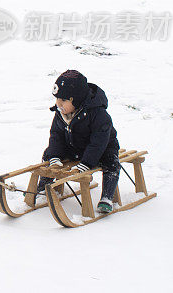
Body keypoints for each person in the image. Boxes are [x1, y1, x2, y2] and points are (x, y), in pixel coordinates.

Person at [38, 70, 121, 213]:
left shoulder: (98, 114)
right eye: (57, 99)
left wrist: (87, 163)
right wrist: (54, 156)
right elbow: (56, 135)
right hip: (75, 147)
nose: (58, 103)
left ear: (76, 100)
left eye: (63, 100)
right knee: (48, 153)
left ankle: (107, 197)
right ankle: (43, 188)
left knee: (111, 162)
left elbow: (98, 142)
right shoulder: (61, 113)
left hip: (101, 149)